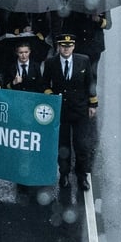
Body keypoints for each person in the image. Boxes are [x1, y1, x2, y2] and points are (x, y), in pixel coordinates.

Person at [43, 34, 98, 192]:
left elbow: (90, 82)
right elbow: (45, 83)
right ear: (59, 47)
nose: (66, 49)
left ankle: (82, 176)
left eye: (69, 46)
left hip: (80, 109)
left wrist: (93, 104)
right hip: (61, 110)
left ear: (73, 47)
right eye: (63, 46)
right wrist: (51, 95)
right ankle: (64, 174)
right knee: (63, 145)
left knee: (81, 145)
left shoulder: (83, 60)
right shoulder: (51, 63)